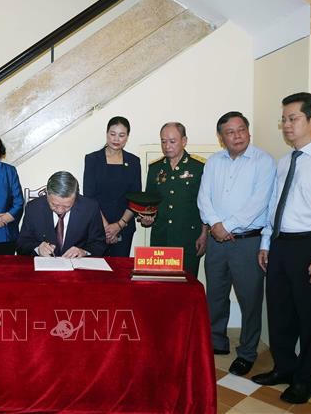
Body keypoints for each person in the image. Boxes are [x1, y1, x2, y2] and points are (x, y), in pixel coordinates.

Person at [251, 93, 311, 404]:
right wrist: (267, 242)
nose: (286, 125)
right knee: (279, 313)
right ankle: (284, 367)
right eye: (283, 119)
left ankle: (306, 380)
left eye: (292, 118)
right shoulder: (285, 162)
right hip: (280, 245)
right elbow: (274, 206)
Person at [197, 112, 276, 376]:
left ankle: (247, 352)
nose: (237, 135)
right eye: (230, 132)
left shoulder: (264, 161)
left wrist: (225, 226)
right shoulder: (213, 162)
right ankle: (216, 341)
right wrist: (215, 225)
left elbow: (259, 202)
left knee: (250, 299)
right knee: (215, 295)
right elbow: (204, 197)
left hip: (247, 242)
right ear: (221, 138)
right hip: (216, 242)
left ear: (248, 131)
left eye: (241, 129)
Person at [140, 122, 207, 276]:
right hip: (161, 237)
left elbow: (205, 204)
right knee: (161, 284)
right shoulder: (155, 168)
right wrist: (146, 218)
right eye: (163, 141)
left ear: (184, 141)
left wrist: (205, 234)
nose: (167, 146)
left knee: (186, 284)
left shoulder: (199, 167)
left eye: (172, 141)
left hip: (189, 238)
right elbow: (149, 202)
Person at [83, 116, 141, 256]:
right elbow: (89, 196)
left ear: (127, 137)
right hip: (97, 226)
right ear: (107, 133)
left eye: (121, 135)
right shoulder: (92, 159)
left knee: (119, 268)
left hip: (124, 226)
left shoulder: (133, 161)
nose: (116, 139)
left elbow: (136, 197)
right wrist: (106, 227)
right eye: (112, 134)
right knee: (95, 268)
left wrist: (119, 225)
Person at [16, 171, 106, 257]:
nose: (60, 210)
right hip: (44, 265)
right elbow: (21, 244)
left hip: (77, 265)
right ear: (47, 194)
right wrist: (38, 249)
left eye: (67, 206)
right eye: (54, 205)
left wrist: (83, 252)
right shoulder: (33, 208)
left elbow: (99, 243)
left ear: (76, 197)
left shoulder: (90, 208)